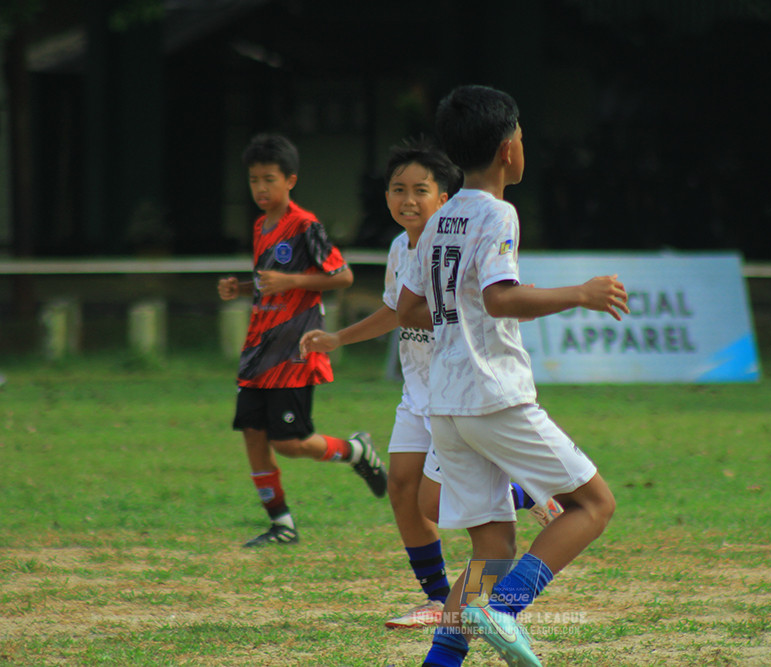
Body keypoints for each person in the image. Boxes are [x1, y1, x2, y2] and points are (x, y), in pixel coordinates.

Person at [396, 85, 628, 667]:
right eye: (522, 136)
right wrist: (581, 293)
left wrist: (458, 313)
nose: (525, 146)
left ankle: (441, 661)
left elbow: (408, 308)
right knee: (593, 505)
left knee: (491, 552)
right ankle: (505, 610)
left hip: (445, 405)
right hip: (492, 396)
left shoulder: (441, 216)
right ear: (506, 149)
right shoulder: (498, 212)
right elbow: (501, 299)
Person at [299, 137, 562, 630]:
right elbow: (396, 312)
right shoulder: (401, 247)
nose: (408, 200)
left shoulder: (462, 236)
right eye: (397, 189)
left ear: (446, 197)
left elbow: (489, 299)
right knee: (402, 488)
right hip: (418, 387)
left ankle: (526, 499)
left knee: (434, 500)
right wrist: (338, 338)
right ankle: (440, 598)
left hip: (460, 389)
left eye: (421, 189)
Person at [218, 133, 387, 549]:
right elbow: (268, 286)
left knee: (290, 444)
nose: (260, 188)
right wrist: (240, 288)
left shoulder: (305, 226)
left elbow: (342, 276)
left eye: (269, 179)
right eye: (254, 180)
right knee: (254, 436)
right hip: (258, 351)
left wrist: (292, 280)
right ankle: (282, 524)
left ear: (290, 180)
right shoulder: (260, 226)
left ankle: (355, 451)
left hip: (294, 351)